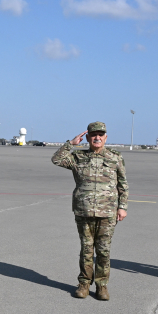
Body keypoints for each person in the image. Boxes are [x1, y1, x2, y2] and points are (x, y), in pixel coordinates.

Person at [51, 122, 128, 300]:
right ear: (87, 137)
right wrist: (71, 143)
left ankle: (102, 286)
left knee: (103, 251)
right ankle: (84, 284)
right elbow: (56, 159)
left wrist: (122, 207)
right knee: (86, 250)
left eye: (101, 135)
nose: (97, 137)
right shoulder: (78, 157)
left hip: (107, 213)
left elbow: (123, 184)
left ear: (106, 137)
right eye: (93, 135)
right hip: (83, 211)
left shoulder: (115, 157)